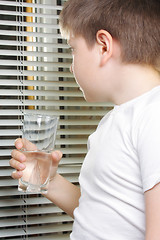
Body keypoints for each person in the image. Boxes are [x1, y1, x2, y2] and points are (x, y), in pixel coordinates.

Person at [10, 0, 160, 239]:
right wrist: (48, 179)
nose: (70, 67)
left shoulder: (153, 116)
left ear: (103, 46)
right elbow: (98, 212)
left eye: (73, 49)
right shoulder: (113, 121)